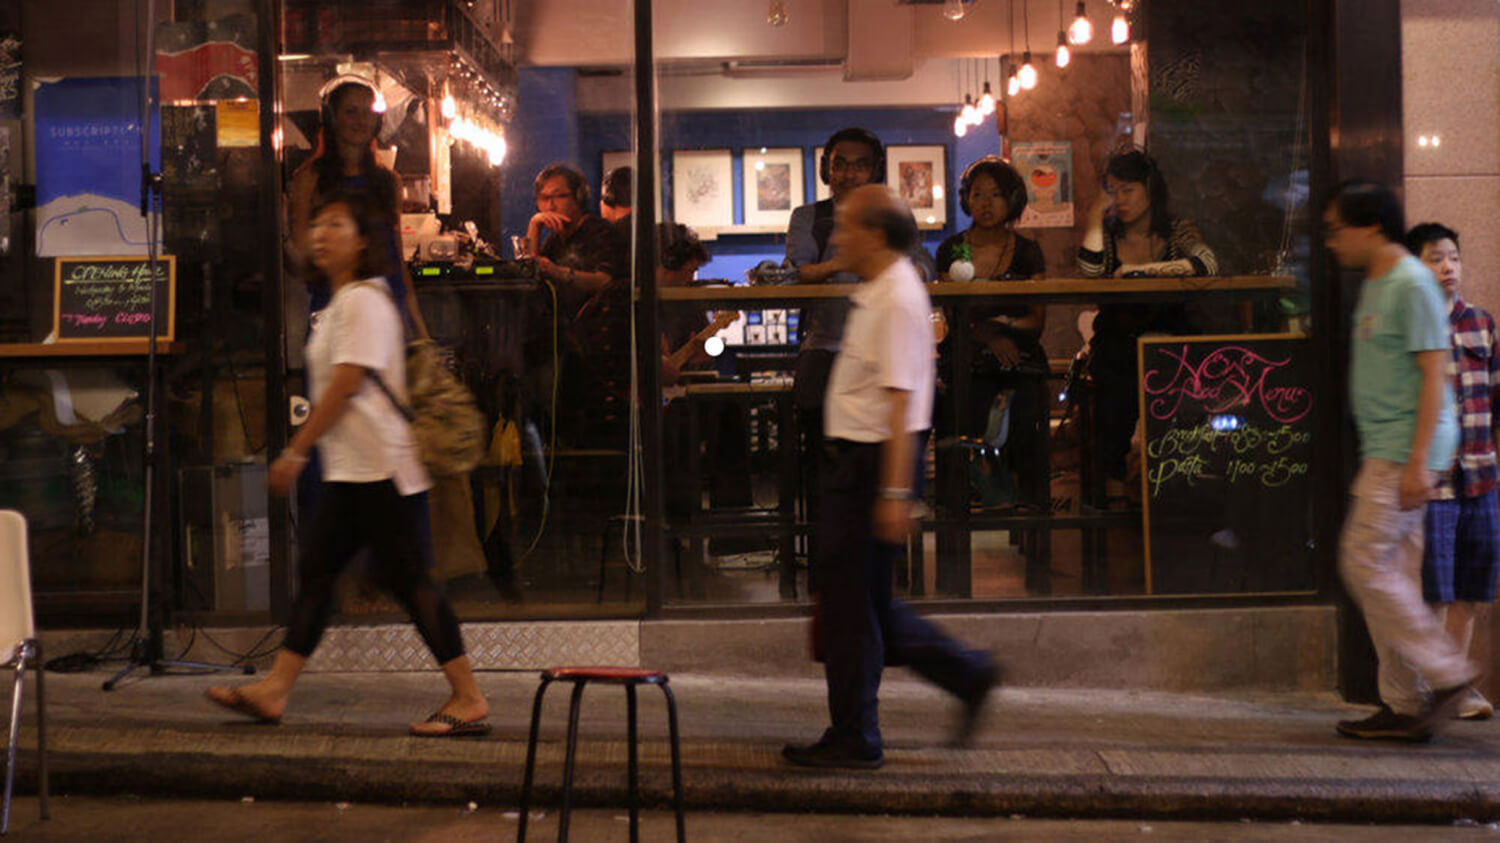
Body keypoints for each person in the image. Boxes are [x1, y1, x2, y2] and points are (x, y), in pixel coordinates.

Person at [206, 191, 489, 737]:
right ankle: (275, 690)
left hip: (379, 468)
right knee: (320, 576)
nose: (321, 233)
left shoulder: (362, 301)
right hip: (355, 470)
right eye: (317, 224)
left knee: (409, 583)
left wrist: (296, 448)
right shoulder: (341, 303)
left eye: (335, 223)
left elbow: (346, 382)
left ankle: (469, 696)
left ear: (361, 242)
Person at [782, 185, 999, 770]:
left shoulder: (899, 297)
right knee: (867, 603)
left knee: (852, 608)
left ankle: (856, 735)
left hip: (871, 465)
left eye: (847, 226)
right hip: (859, 463)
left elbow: (905, 405)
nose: (836, 236)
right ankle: (968, 674)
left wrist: (896, 492)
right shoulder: (881, 289)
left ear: (876, 234)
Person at [1325, 181, 1472, 741]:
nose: (1333, 242)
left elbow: (1436, 375)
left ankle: (1448, 671)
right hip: (1387, 448)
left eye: (1338, 229)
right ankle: (1407, 705)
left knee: (1362, 563)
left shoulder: (1411, 283)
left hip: (1403, 452)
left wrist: (1417, 464)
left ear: (1369, 228)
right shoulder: (1377, 281)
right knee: (1395, 578)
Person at [786, 128, 935, 581]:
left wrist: (837, 264)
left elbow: (923, 265)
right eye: (840, 163)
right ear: (826, 169)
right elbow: (796, 274)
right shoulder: (808, 216)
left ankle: (878, 571)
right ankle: (823, 566)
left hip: (874, 362)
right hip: (825, 347)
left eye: (859, 164)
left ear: (874, 169)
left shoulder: (888, 217)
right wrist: (854, 259)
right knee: (817, 470)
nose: (849, 172)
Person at [1077, 149, 1217, 504]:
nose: (1119, 200)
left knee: (1181, 390)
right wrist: (1095, 215)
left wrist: (1142, 272)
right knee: (1115, 387)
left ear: (1150, 190)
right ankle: (1114, 487)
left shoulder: (1175, 229)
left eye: (1128, 190)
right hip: (1118, 341)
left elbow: (1206, 264)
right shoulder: (1108, 234)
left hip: (1173, 340)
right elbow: (1090, 271)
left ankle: (1177, 488)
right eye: (1112, 190)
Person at [1407, 222, 1498, 721]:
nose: (1448, 268)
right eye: (1436, 258)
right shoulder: (1414, 328)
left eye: (1454, 258)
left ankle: (1458, 686)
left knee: (1471, 590)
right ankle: (1427, 686)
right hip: (1434, 482)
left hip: (1480, 477)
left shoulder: (1481, 324)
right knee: (1432, 592)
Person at [934, 156, 1048, 510]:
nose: (985, 203)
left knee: (1028, 410)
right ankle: (966, 495)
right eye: (977, 194)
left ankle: (1029, 500)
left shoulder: (1028, 252)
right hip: (968, 355)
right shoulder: (952, 249)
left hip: (1020, 356)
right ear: (966, 198)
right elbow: (954, 317)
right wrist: (989, 336)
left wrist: (1004, 331)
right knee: (963, 402)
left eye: (996, 195)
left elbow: (1036, 321)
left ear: (1013, 199)